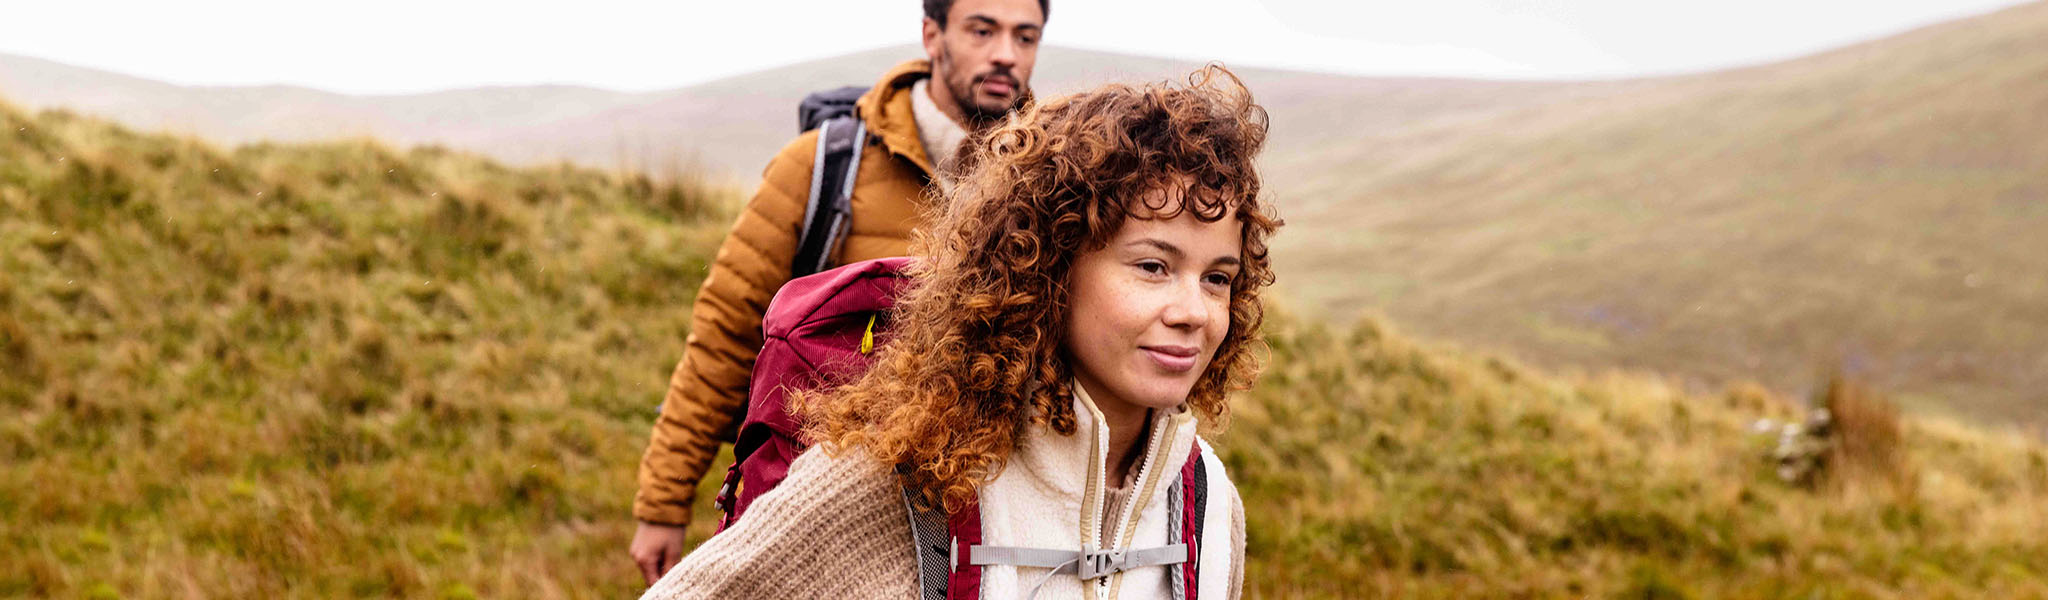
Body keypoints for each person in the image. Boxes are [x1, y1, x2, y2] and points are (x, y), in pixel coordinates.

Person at [641, 65, 1277, 599]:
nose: (1195, 310)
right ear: (1050, 267)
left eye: (1218, 278)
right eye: (1153, 266)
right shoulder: (896, 486)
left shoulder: (1206, 505)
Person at [630, 0, 1052, 585]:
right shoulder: (822, 167)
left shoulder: (1051, 185)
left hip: (994, 536)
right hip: (820, 515)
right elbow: (723, 341)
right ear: (932, 35)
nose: (1005, 53)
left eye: (1024, 36)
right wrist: (663, 504)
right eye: (982, 30)